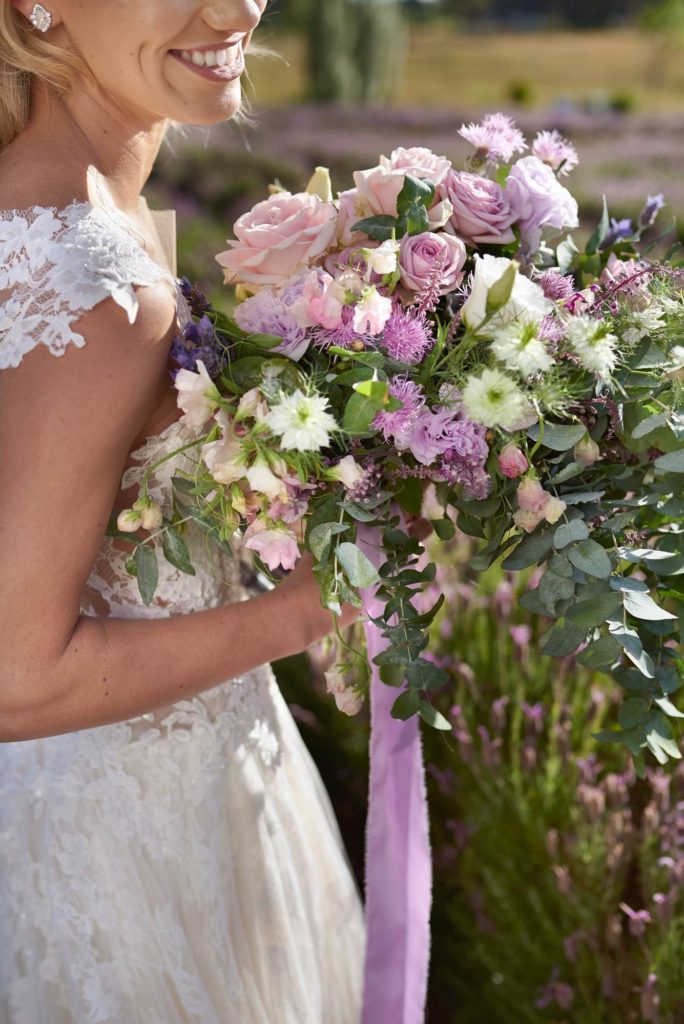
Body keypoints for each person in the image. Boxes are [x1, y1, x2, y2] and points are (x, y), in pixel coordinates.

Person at [0, 2, 367, 1020]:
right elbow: (15, 679)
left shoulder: (66, 224)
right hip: (120, 852)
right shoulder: (97, 287)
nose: (237, 7)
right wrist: (308, 607)